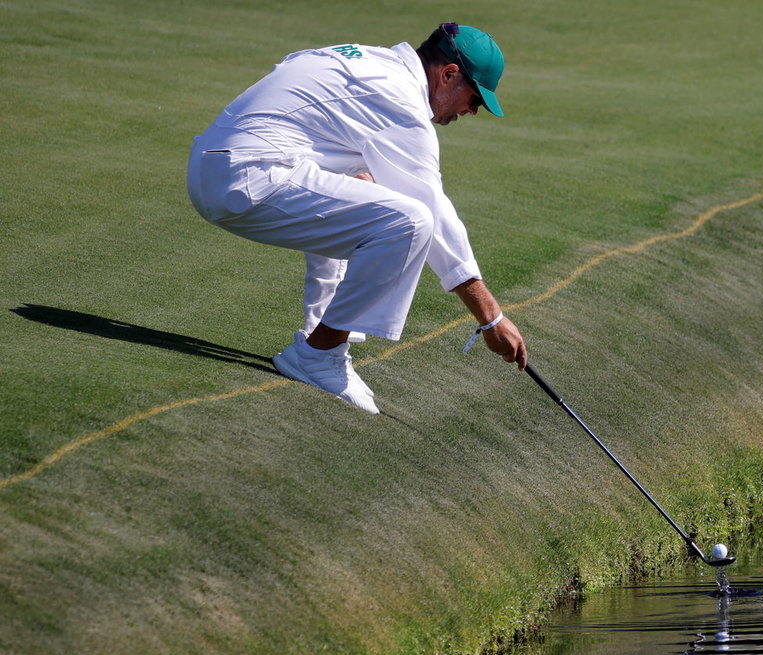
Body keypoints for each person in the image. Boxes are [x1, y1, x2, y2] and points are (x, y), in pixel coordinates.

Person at [187, 22, 528, 414]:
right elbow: (434, 212)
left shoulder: (369, 58)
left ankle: (319, 334)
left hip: (218, 164)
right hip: (242, 179)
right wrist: (490, 318)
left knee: (365, 184)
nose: (471, 110)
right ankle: (319, 355)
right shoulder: (400, 101)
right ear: (449, 74)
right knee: (410, 221)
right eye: (475, 98)